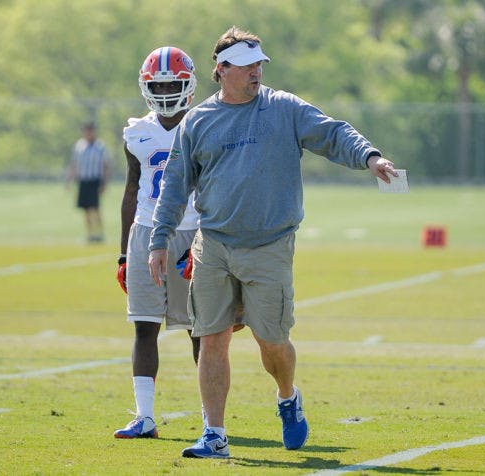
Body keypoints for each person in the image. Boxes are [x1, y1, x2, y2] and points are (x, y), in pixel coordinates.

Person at [147, 26, 398, 459]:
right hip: (214, 245)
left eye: (259, 65)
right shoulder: (199, 121)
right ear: (222, 69)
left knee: (272, 341)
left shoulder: (284, 108)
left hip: (270, 246)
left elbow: (333, 133)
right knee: (211, 338)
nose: (255, 73)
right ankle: (214, 433)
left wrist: (370, 157)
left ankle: (287, 396)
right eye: (246, 66)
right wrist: (159, 238)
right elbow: (175, 183)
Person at [112, 46, 201, 439]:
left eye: (172, 83)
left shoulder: (204, 124)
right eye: (158, 84)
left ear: (188, 85)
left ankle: (209, 419)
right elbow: (131, 189)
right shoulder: (137, 132)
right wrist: (121, 252)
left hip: (192, 229)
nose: (165, 91)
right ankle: (144, 416)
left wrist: (205, 242)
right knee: (143, 326)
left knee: (200, 329)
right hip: (147, 232)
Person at [66, 121, 111, 243]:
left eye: (90, 130)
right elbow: (74, 164)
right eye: (86, 130)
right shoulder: (79, 146)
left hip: (94, 180)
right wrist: (69, 180)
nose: (88, 133)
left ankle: (100, 233)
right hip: (83, 180)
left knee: (95, 208)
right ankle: (90, 234)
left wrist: (104, 183)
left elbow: (106, 166)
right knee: (85, 209)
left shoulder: (100, 146)